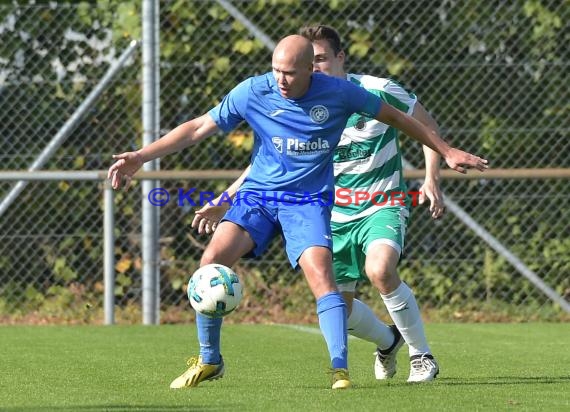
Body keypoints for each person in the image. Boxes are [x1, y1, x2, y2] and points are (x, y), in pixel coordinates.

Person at [108, 34, 487, 390]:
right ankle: (210, 360)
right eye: (276, 70)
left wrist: (446, 151)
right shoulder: (253, 91)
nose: (281, 79)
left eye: (290, 72)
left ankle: (340, 368)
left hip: (307, 202)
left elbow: (400, 118)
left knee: (323, 277)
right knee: (211, 261)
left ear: (310, 69)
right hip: (259, 197)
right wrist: (141, 157)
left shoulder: (339, 93)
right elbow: (197, 128)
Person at [192, 25, 464, 383]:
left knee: (380, 270)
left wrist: (432, 177)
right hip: (332, 211)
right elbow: (271, 163)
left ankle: (421, 355)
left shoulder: (376, 91)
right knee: (341, 307)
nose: (315, 67)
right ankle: (388, 340)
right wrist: (226, 199)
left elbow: (424, 125)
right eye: (311, 61)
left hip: (381, 202)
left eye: (320, 59)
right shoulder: (301, 101)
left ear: (340, 58)